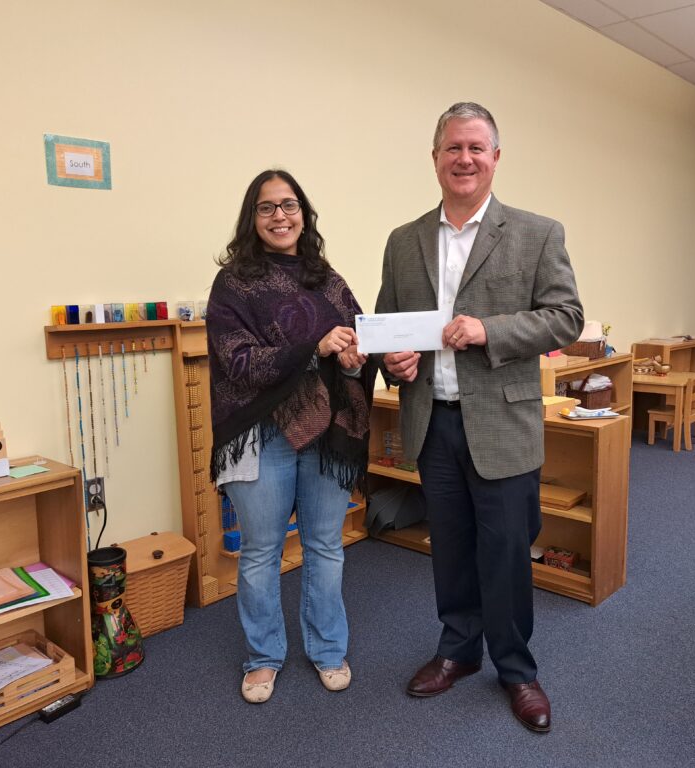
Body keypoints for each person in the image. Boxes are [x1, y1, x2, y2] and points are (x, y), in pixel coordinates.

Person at [374, 103, 583, 732]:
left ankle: (517, 670)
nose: (463, 159)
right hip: (431, 420)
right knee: (452, 549)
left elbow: (565, 317)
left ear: (495, 158)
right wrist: (395, 364)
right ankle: (457, 650)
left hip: (502, 422)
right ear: (434, 157)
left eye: (476, 148)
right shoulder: (404, 240)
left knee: (506, 551)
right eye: (452, 148)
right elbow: (387, 327)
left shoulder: (537, 233)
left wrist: (488, 329)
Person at [207, 169, 375, 704]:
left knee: (326, 546)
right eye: (266, 207)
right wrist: (314, 346)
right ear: (251, 219)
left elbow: (354, 342)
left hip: (326, 432)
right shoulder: (234, 283)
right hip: (261, 433)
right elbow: (235, 361)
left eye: (289, 205)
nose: (280, 216)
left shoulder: (328, 278)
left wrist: (353, 356)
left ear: (304, 213)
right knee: (261, 551)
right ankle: (263, 657)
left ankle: (329, 649)